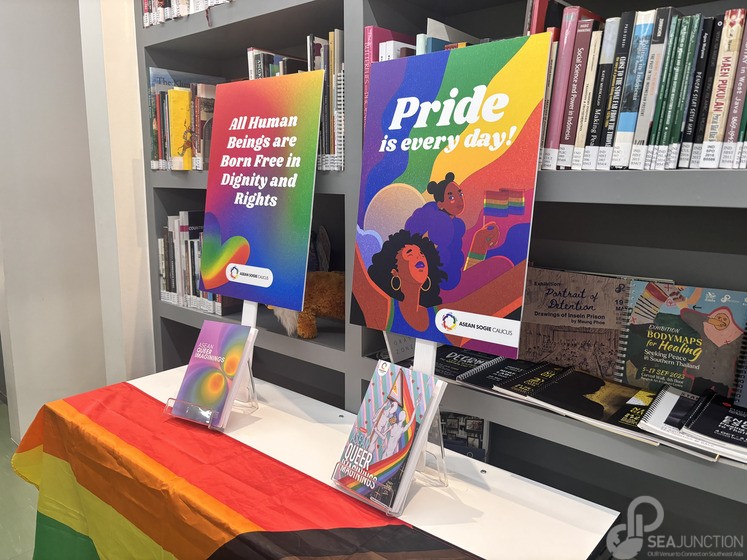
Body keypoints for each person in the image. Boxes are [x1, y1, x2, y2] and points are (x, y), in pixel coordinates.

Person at [405, 172, 498, 290]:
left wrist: (480, 240)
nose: (460, 200)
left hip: (452, 280)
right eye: (451, 197)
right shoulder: (435, 221)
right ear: (440, 204)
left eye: (460, 194)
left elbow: (457, 263)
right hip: (435, 285)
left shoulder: (456, 225)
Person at [365, 230, 448, 337]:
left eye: (421, 253)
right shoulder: (388, 309)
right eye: (410, 253)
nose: (419, 257)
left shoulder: (437, 315)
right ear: (395, 271)